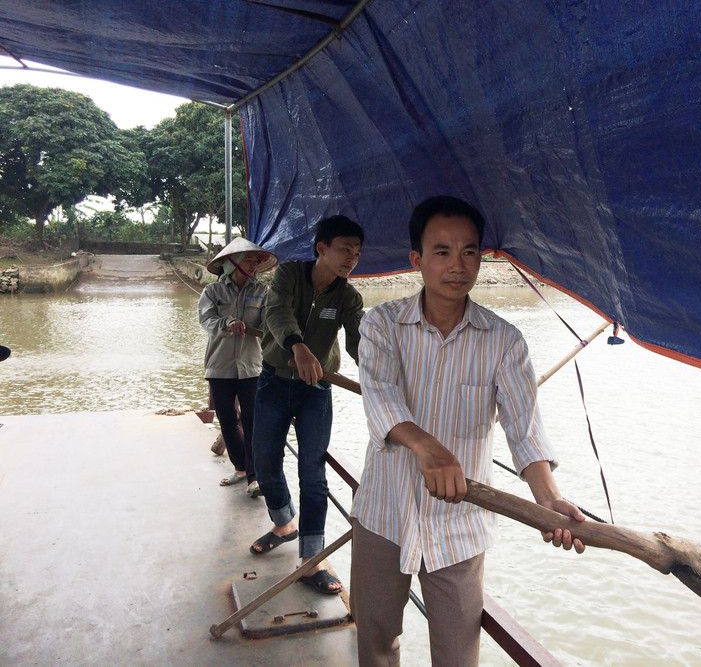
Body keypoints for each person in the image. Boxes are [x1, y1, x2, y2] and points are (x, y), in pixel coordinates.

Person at [351, 196, 586, 666]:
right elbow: (381, 399)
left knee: (458, 655)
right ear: (417, 260)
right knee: (377, 641)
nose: (457, 265)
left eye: (470, 252)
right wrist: (426, 446)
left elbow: (525, 431)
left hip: (461, 529)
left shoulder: (505, 341)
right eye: (442, 252)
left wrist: (548, 501)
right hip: (383, 513)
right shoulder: (381, 325)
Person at [250, 215, 365, 597]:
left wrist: (382, 371)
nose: (352, 256)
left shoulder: (348, 297)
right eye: (345, 248)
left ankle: (310, 561)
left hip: (317, 389)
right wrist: (298, 346)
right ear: (322, 249)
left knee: (312, 473)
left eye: (357, 251)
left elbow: (357, 342)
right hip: (274, 381)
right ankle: (284, 523)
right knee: (264, 461)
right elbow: (277, 313)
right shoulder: (288, 275)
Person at [198, 237, 277, 496]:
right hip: (219, 367)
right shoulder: (212, 292)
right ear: (232, 263)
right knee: (228, 420)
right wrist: (227, 323)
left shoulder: (263, 292)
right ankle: (240, 468)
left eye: (257, 260)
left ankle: (254, 477)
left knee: (254, 421)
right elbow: (207, 319)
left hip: (252, 368)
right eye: (249, 259)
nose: (254, 264)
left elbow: (271, 323)